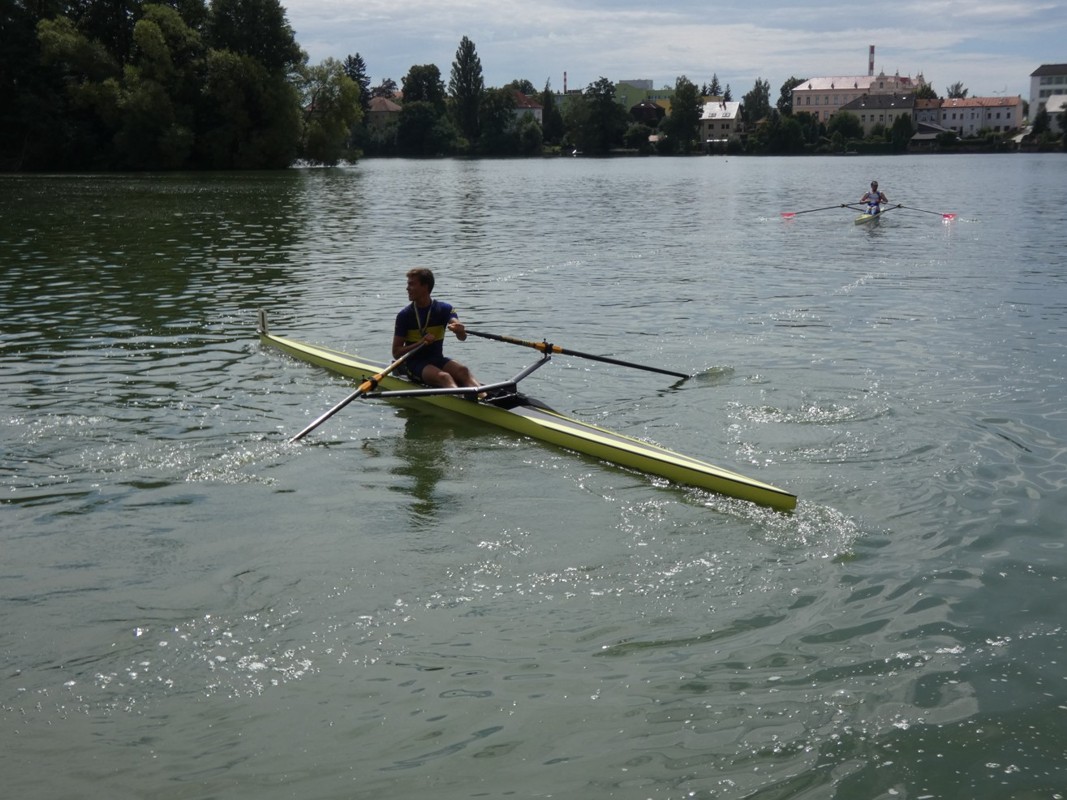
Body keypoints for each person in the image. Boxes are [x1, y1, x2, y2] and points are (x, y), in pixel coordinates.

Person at [392, 268, 479, 390]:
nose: (407, 288)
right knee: (444, 377)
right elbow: (396, 353)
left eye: (411, 284)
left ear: (425, 287)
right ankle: (459, 398)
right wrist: (420, 343)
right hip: (414, 363)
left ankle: (485, 396)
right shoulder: (404, 315)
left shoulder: (444, 309)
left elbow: (462, 336)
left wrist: (459, 329)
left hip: (437, 359)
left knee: (463, 371)